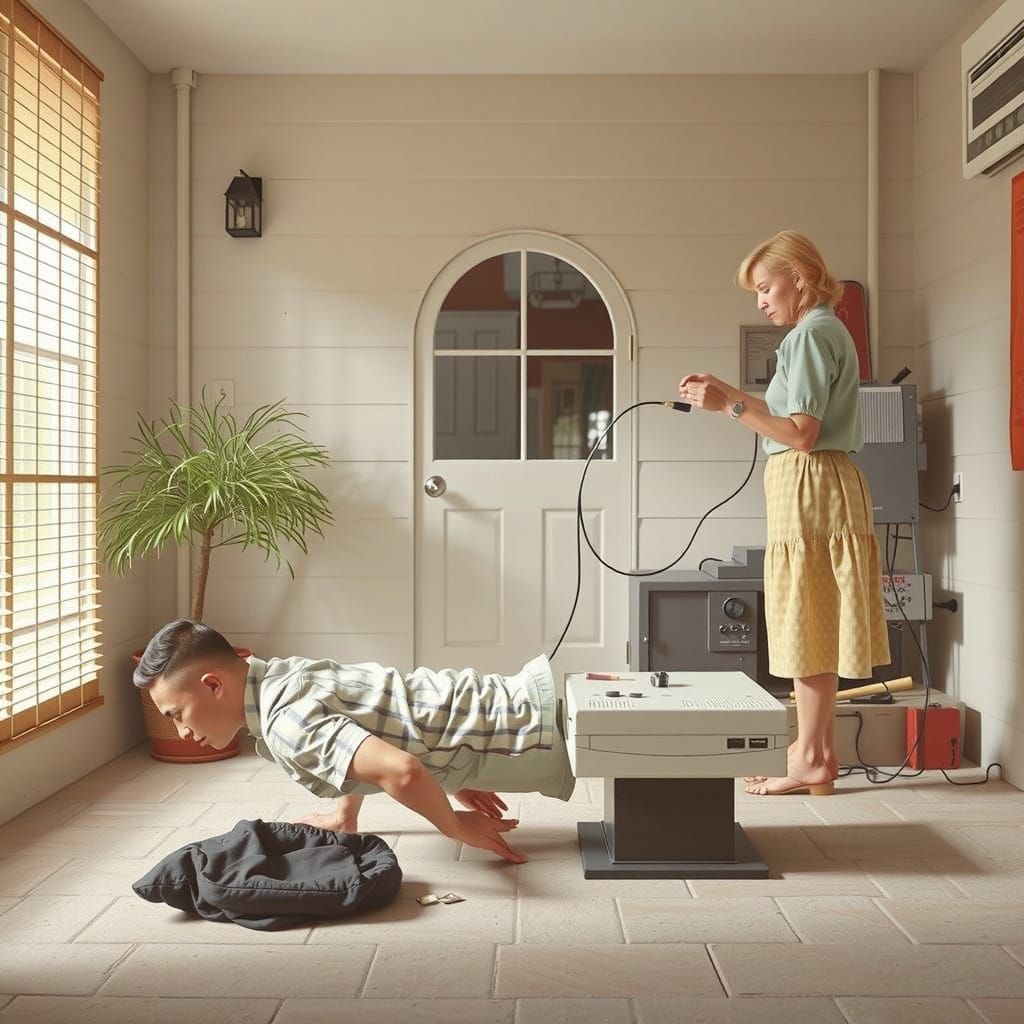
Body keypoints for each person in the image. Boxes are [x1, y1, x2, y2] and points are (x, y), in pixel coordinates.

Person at [679, 230, 890, 797]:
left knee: (804, 616)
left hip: (811, 481)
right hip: (820, 483)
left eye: (767, 288)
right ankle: (812, 752)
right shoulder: (824, 332)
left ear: (799, 278)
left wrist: (731, 405)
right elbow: (794, 422)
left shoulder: (809, 337)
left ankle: (814, 754)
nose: (762, 302)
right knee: (811, 616)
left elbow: (800, 434)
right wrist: (728, 395)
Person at [134, 619, 577, 862]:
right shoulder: (279, 675)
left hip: (529, 735)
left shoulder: (288, 724)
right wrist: (347, 816)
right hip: (515, 700)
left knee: (639, 773)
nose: (182, 732)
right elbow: (371, 720)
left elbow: (400, 770)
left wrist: (457, 827)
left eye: (177, 714)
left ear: (213, 686)